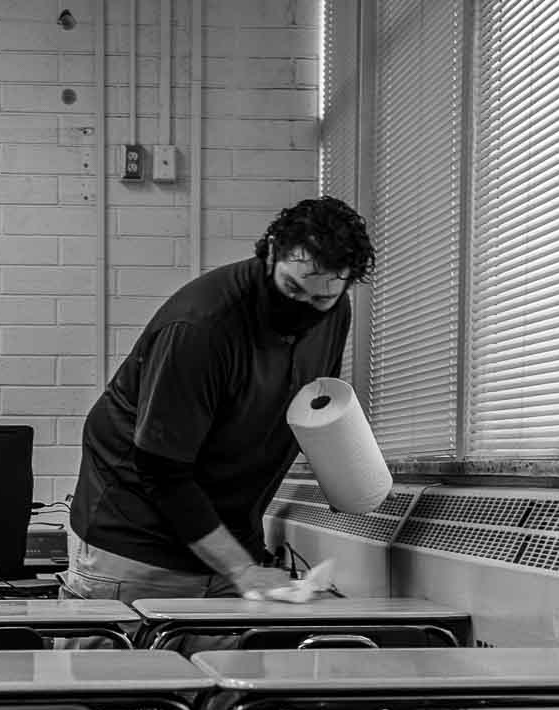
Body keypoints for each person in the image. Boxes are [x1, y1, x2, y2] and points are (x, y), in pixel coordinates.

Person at [61, 196, 375, 603]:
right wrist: (240, 568)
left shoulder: (334, 313)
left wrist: (344, 473)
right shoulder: (201, 328)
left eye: (320, 299)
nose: (303, 307)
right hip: (137, 544)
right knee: (132, 667)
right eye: (291, 288)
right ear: (270, 254)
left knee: (231, 667)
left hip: (231, 545)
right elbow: (161, 469)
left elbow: (314, 405)